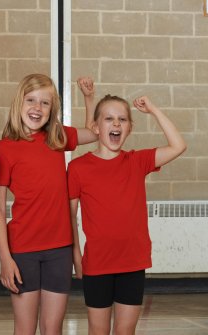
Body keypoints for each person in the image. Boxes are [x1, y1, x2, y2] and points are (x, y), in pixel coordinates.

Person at [68, 93, 186, 335]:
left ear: (130, 128)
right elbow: (70, 216)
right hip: (97, 263)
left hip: (132, 262)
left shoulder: (137, 161)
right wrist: (76, 255)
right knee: (98, 330)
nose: (116, 124)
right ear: (95, 127)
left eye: (123, 119)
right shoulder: (78, 168)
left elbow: (178, 145)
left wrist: (152, 109)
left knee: (125, 330)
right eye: (109, 118)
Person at [0, 74, 97, 335]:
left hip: (59, 249)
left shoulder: (57, 137)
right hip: (23, 250)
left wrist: (89, 97)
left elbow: (94, 133)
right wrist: (5, 258)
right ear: (19, 103)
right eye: (31, 100)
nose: (37, 108)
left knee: (53, 328)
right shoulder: (4, 149)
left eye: (45, 103)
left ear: (52, 110)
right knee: (25, 328)